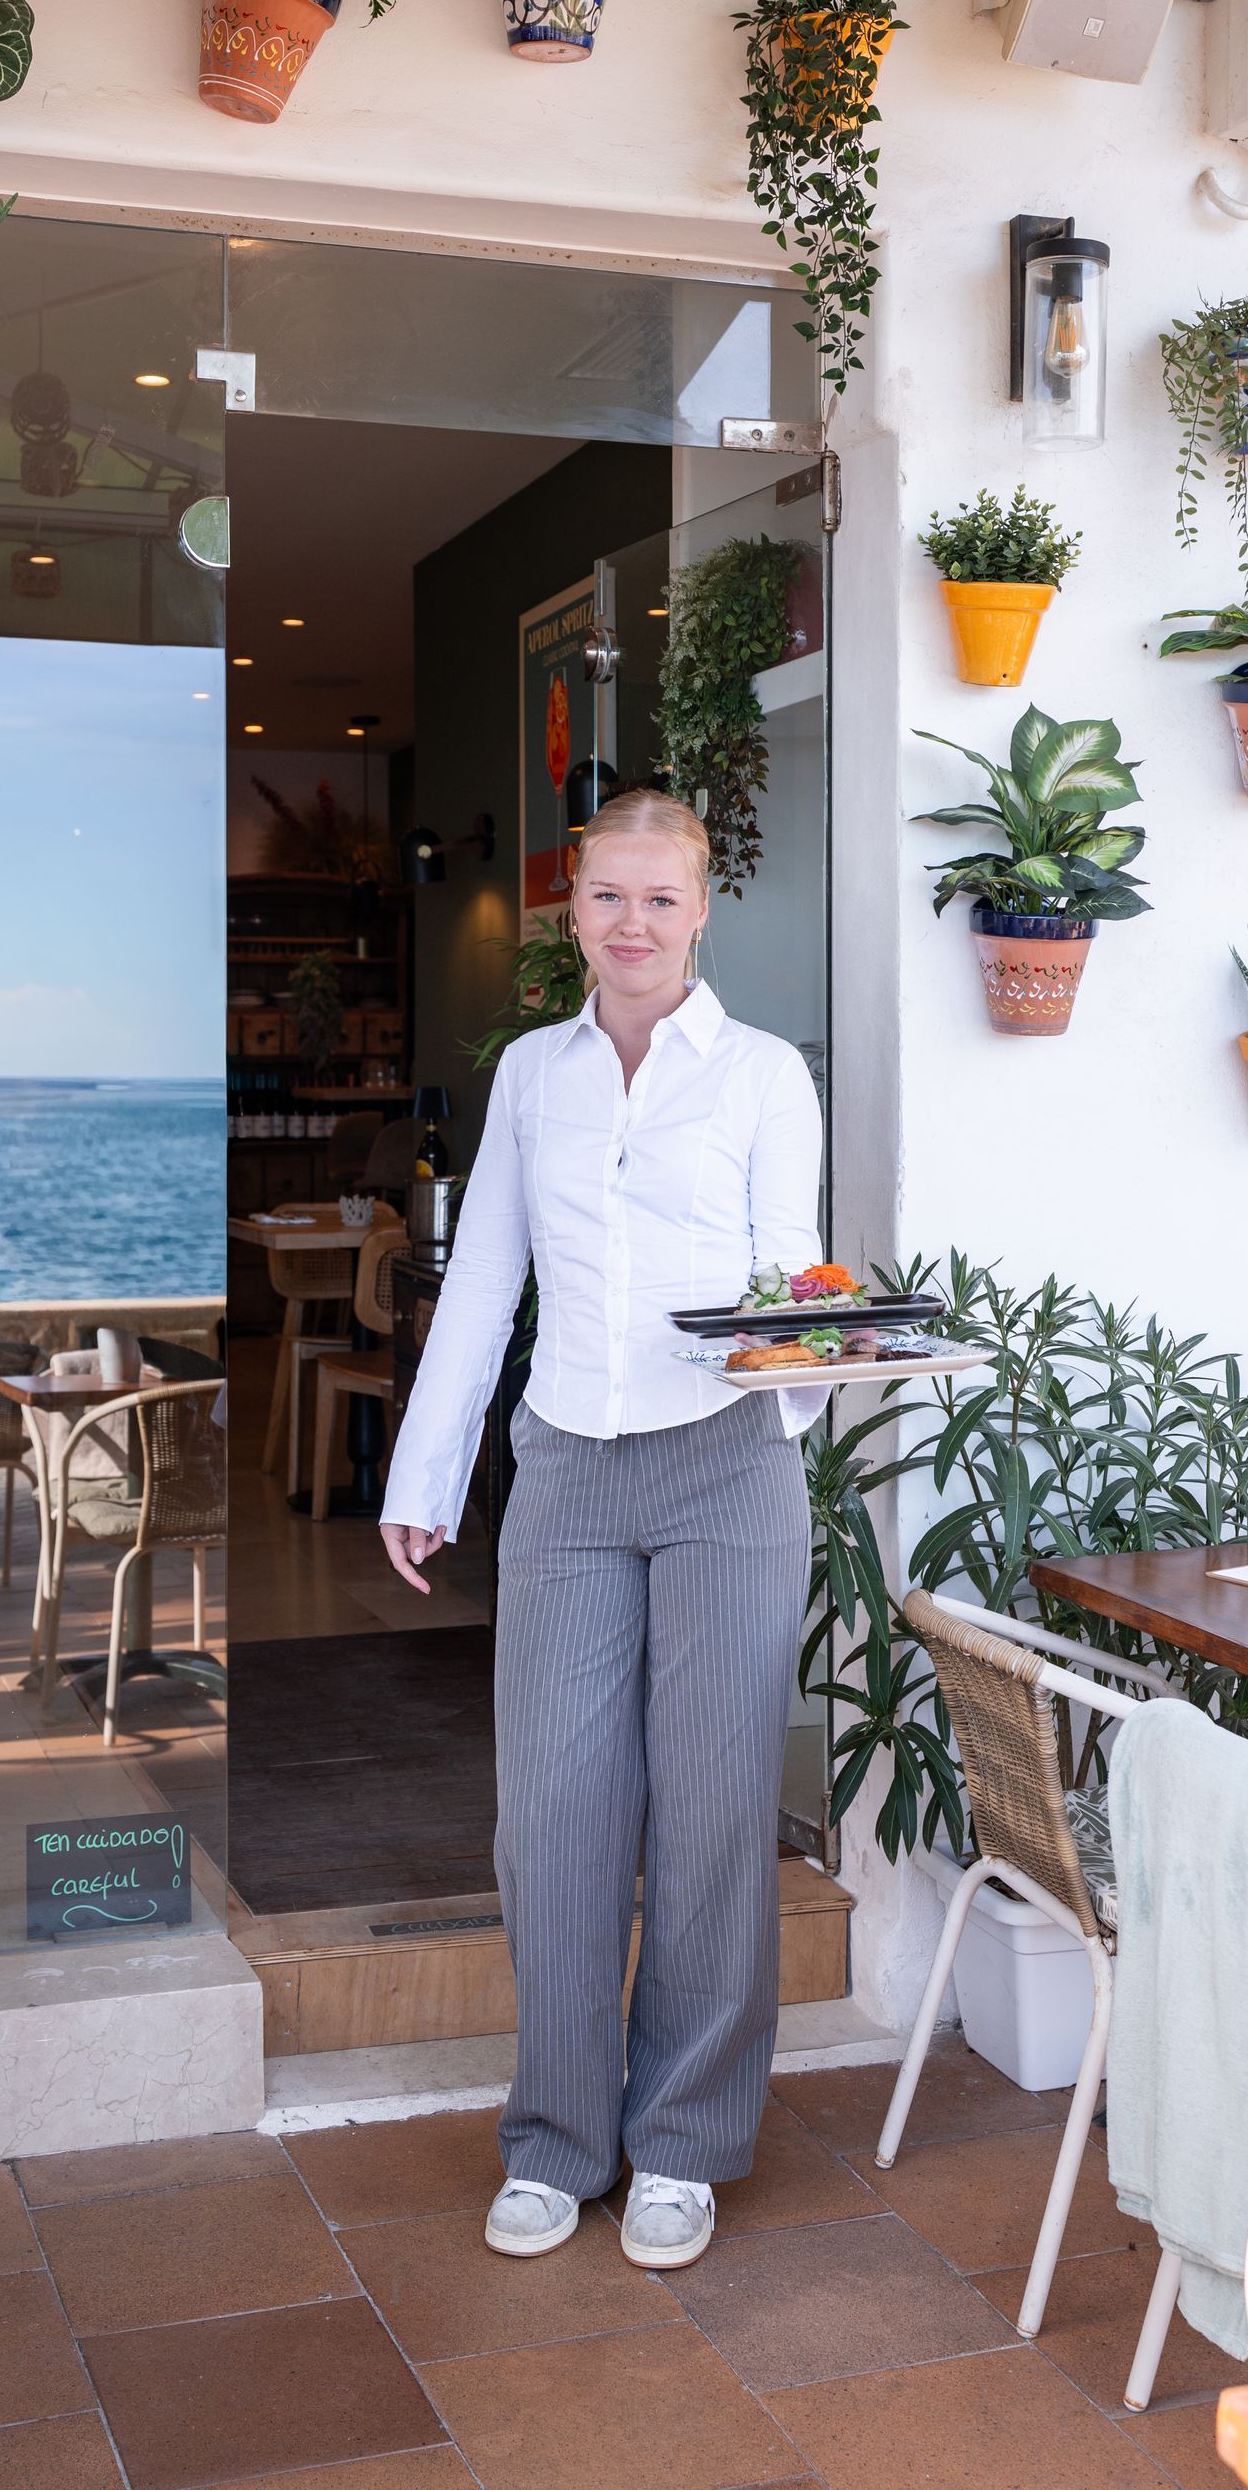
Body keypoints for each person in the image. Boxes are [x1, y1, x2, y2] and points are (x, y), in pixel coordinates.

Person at [379, 788, 823, 2273]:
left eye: (661, 900)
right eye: (607, 898)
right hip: (567, 1472)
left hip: (726, 1473)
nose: (633, 926)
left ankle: (686, 2143)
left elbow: (783, 1292)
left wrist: (811, 1372)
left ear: (703, 914)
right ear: (573, 910)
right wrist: (423, 1477)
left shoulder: (764, 1077)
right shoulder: (531, 1075)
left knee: (706, 1820)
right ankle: (558, 2139)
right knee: (552, 1819)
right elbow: (487, 1278)